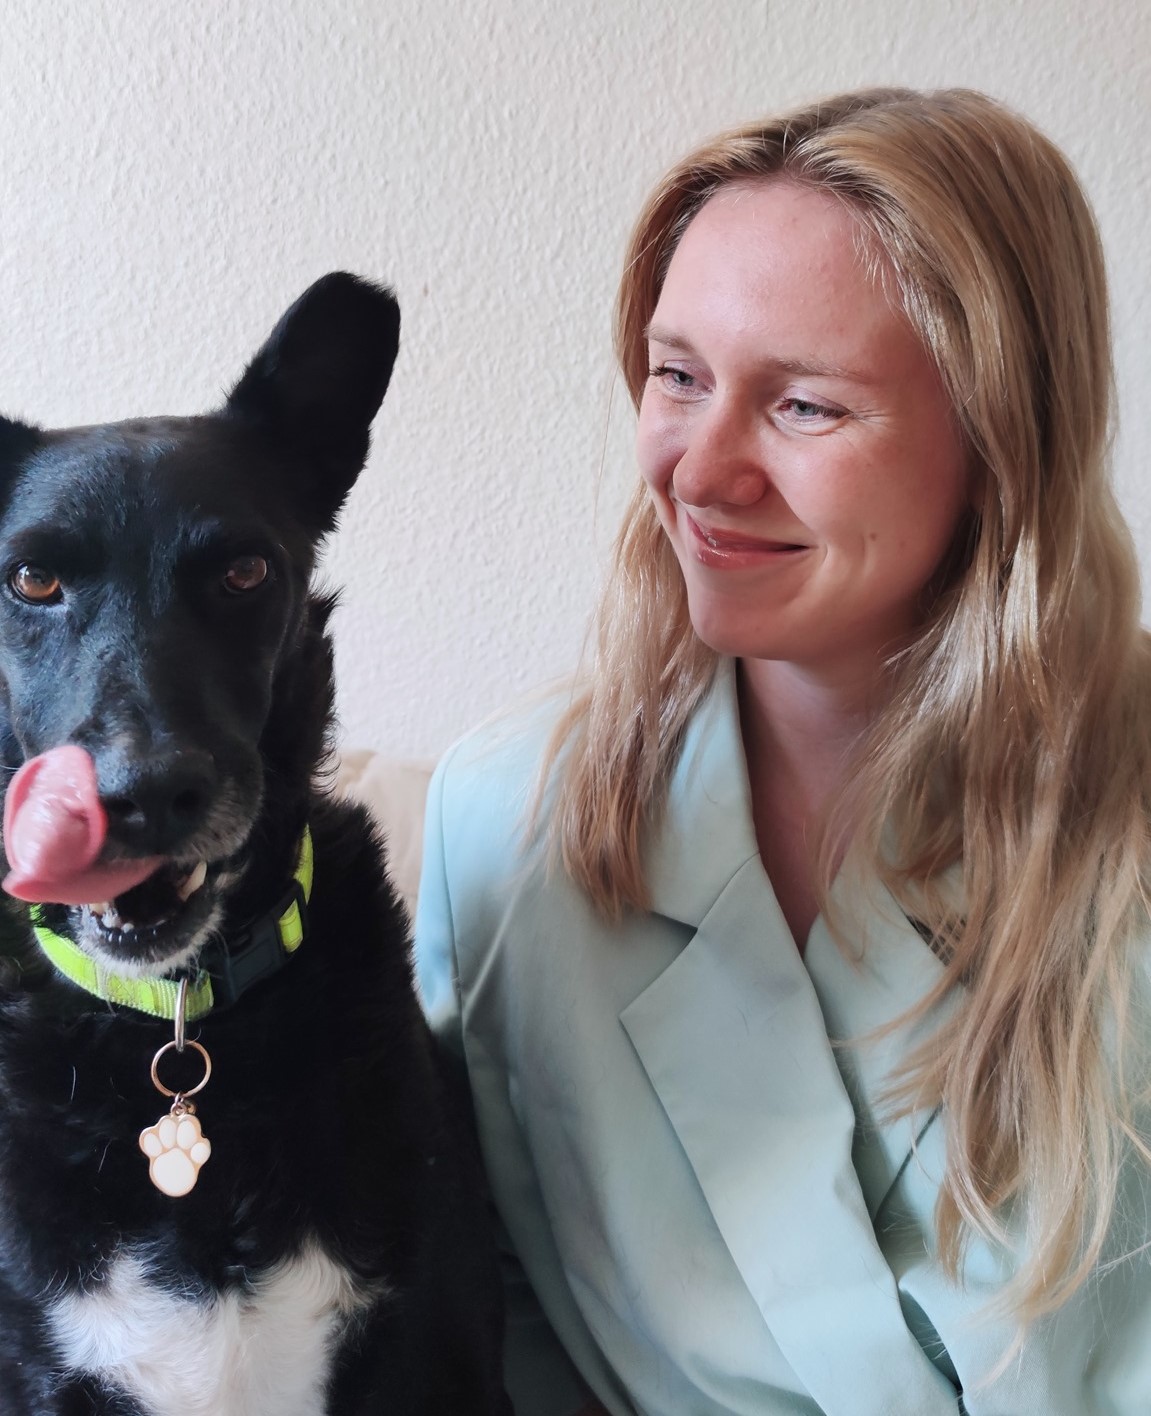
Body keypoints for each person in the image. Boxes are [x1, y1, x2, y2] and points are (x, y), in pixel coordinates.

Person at [415, 86, 1151, 1415]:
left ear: (999, 441)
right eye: (677, 377)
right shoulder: (506, 824)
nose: (701, 472)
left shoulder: (1128, 808)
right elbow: (493, 1316)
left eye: (806, 407)